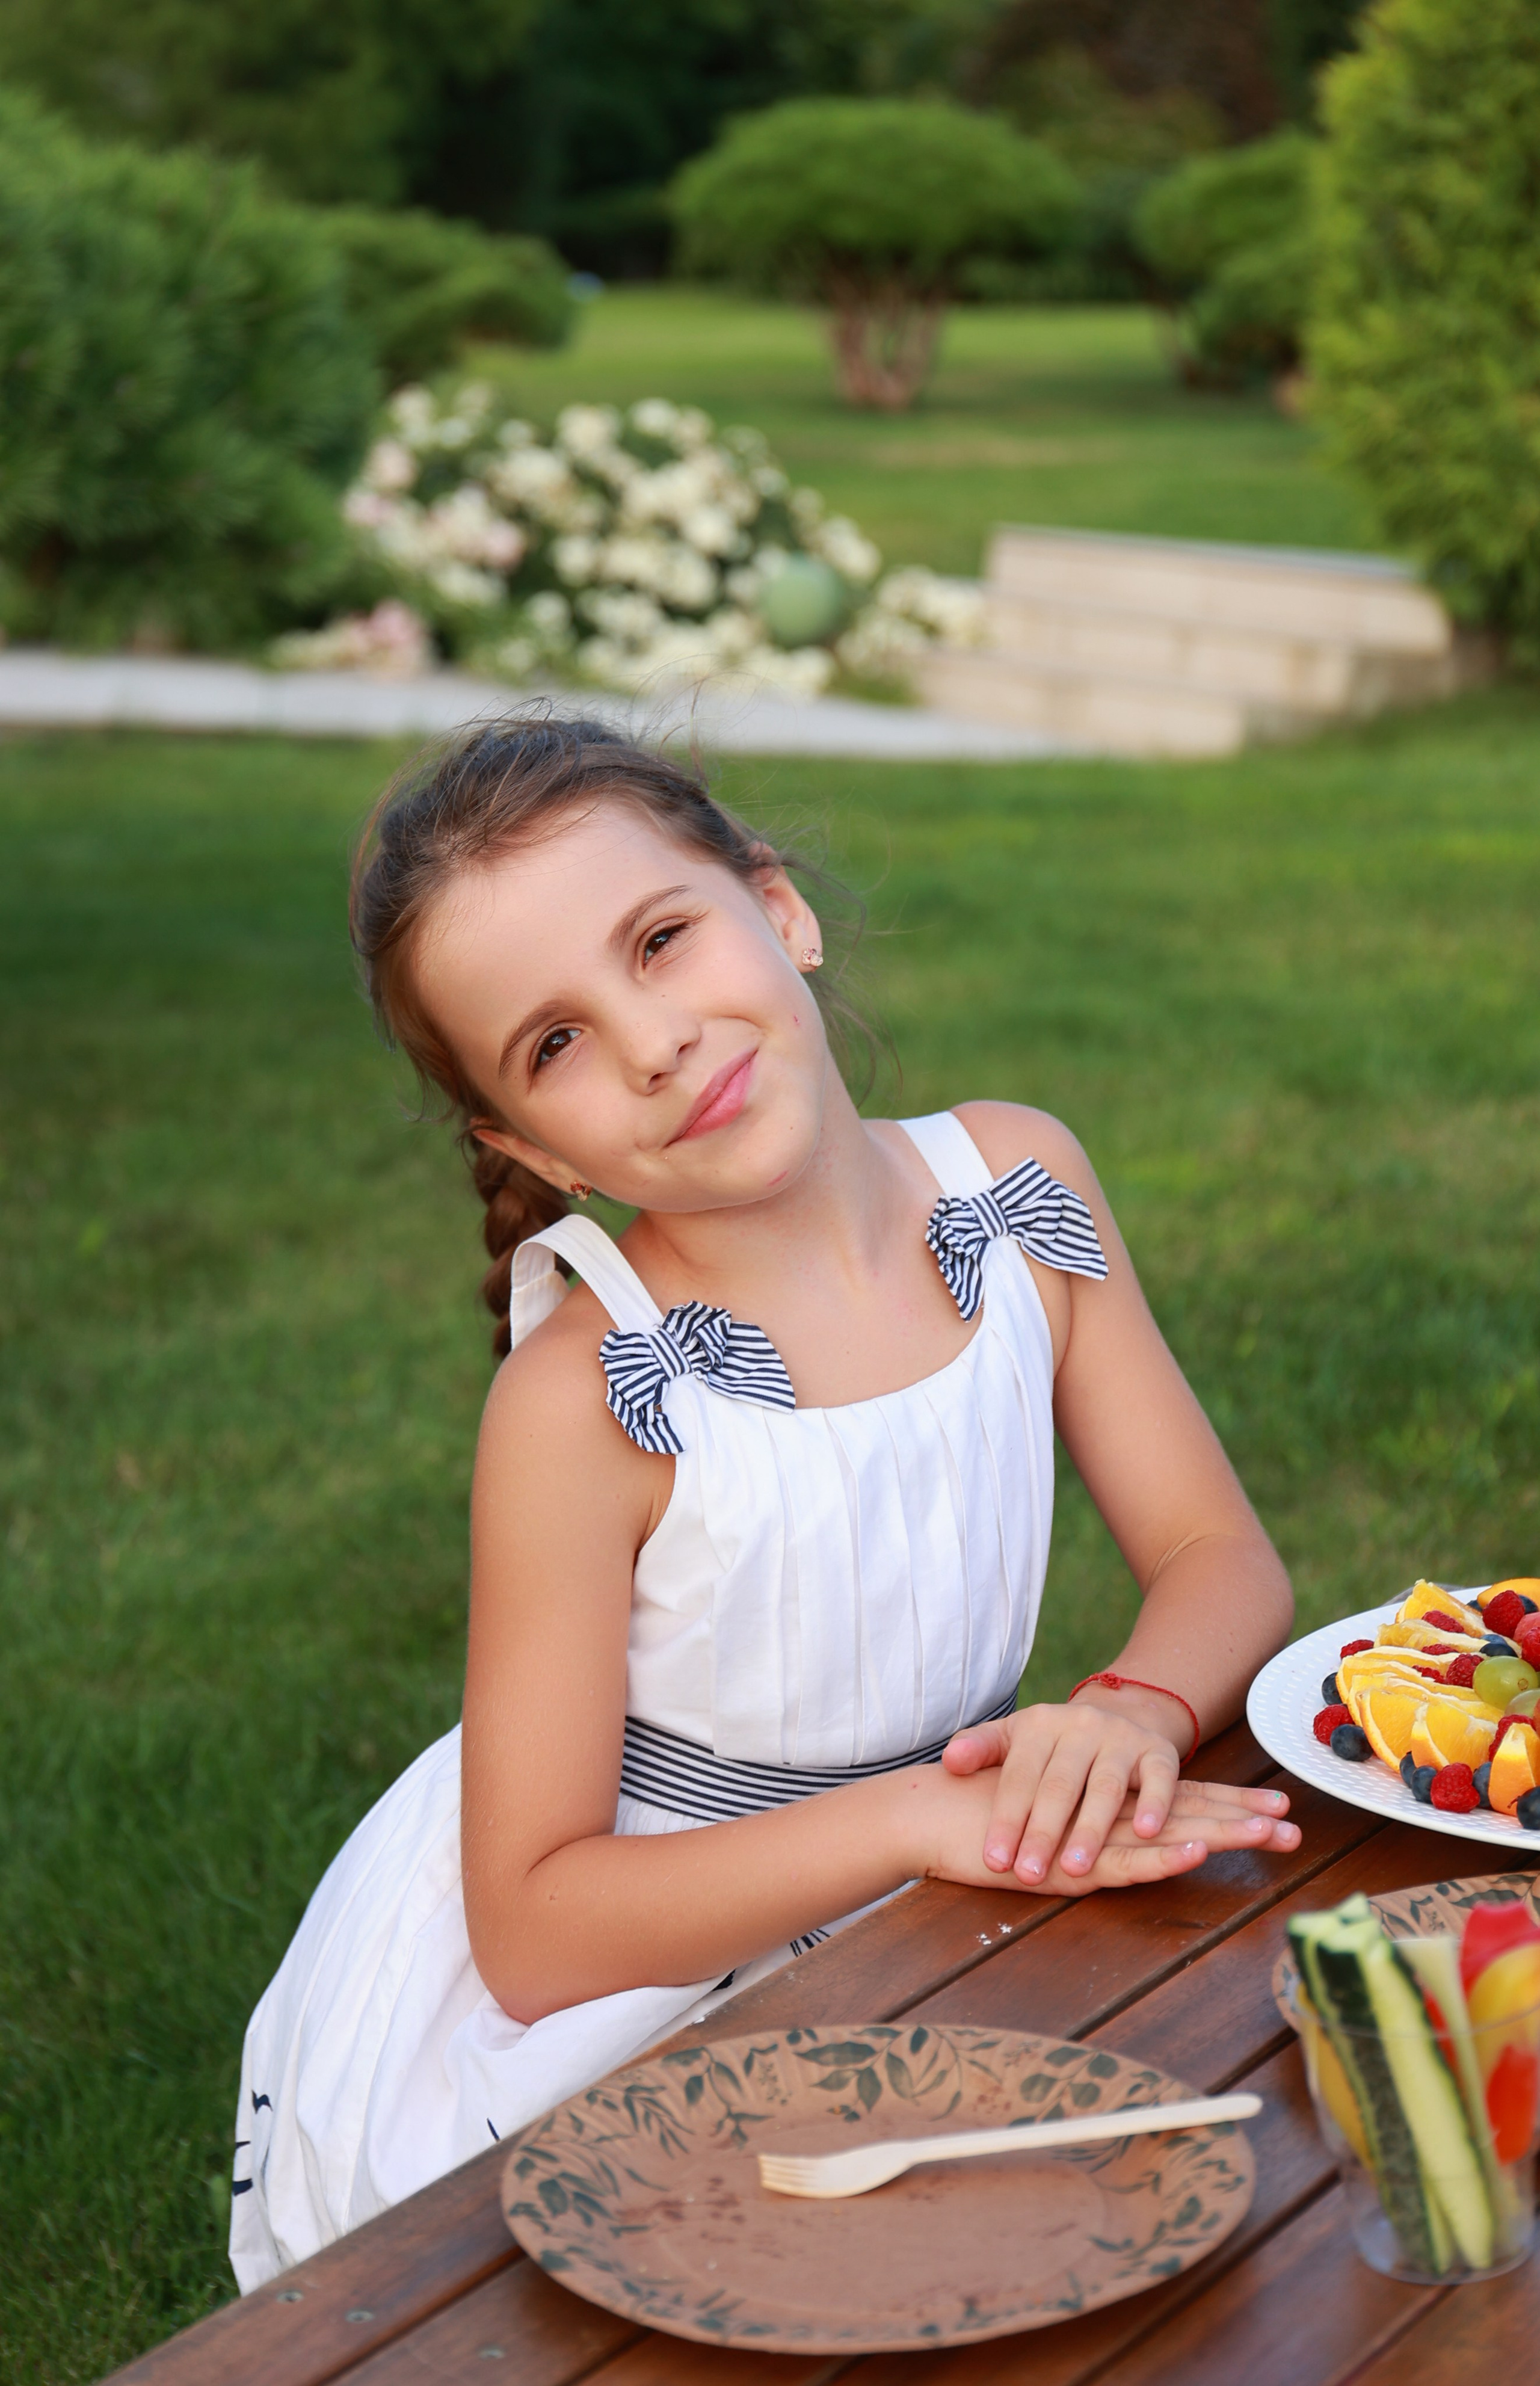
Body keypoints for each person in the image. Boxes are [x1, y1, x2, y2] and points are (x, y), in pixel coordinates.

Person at [230, 716, 1297, 2288]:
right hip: (647, 1951)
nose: (653, 1040)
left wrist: (1135, 1711)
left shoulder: (1014, 1189)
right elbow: (533, 1928)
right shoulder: (587, 1399)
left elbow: (1220, 1558)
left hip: (951, 1870)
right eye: (557, 1043)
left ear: (775, 909)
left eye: (661, 940)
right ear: (528, 1147)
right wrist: (928, 1818)